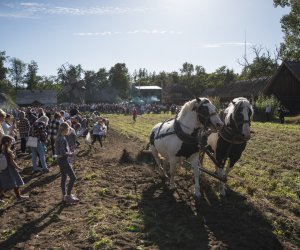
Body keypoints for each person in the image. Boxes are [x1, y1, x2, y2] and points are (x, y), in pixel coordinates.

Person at [0, 135, 28, 203]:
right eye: (10, 142)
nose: (11, 143)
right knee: (16, 183)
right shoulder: (8, 152)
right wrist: (19, 168)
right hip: (10, 170)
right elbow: (12, 162)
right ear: (7, 143)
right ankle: (18, 197)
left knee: (2, 185)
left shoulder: (1, 151)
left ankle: (1, 198)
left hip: (3, 170)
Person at [55, 122, 78, 204]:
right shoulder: (62, 139)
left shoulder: (59, 137)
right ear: (65, 130)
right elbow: (63, 152)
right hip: (63, 160)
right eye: (68, 129)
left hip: (60, 160)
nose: (69, 130)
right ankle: (68, 196)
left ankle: (64, 195)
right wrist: (71, 154)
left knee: (64, 177)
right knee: (73, 177)